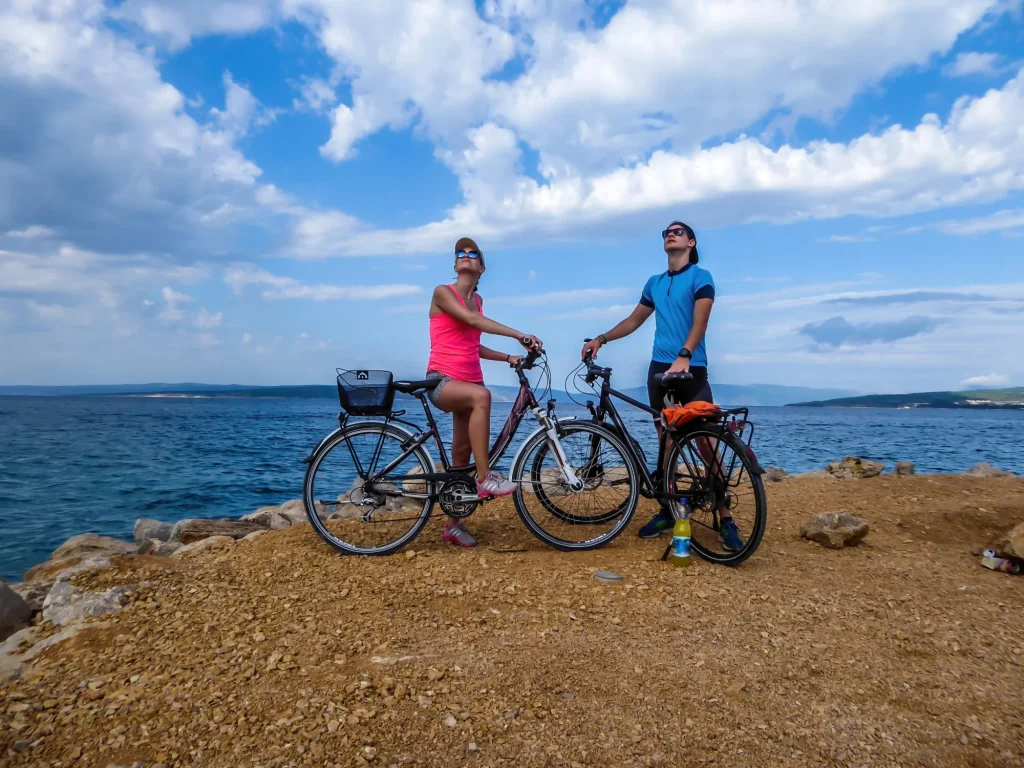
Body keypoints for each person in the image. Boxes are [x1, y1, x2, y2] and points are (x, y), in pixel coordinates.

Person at [580, 221, 743, 551]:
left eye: (678, 231)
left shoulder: (701, 277)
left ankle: (725, 517)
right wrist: (601, 339)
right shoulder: (654, 283)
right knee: (666, 442)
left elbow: (701, 321)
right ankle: (669, 509)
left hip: (691, 368)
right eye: (667, 233)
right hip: (659, 371)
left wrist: (685, 354)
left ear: (692, 242)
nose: (671, 234)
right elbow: (634, 320)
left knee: (706, 442)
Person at [427, 236, 543, 547]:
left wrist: (507, 356)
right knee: (483, 397)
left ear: (481, 267)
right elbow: (471, 320)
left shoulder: (478, 301)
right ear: (455, 265)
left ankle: (453, 524)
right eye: (460, 253)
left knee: (460, 455)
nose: (465, 255)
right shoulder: (443, 293)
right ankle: (485, 478)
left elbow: (472, 344)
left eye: (472, 253)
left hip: (468, 381)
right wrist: (518, 334)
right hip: (442, 381)